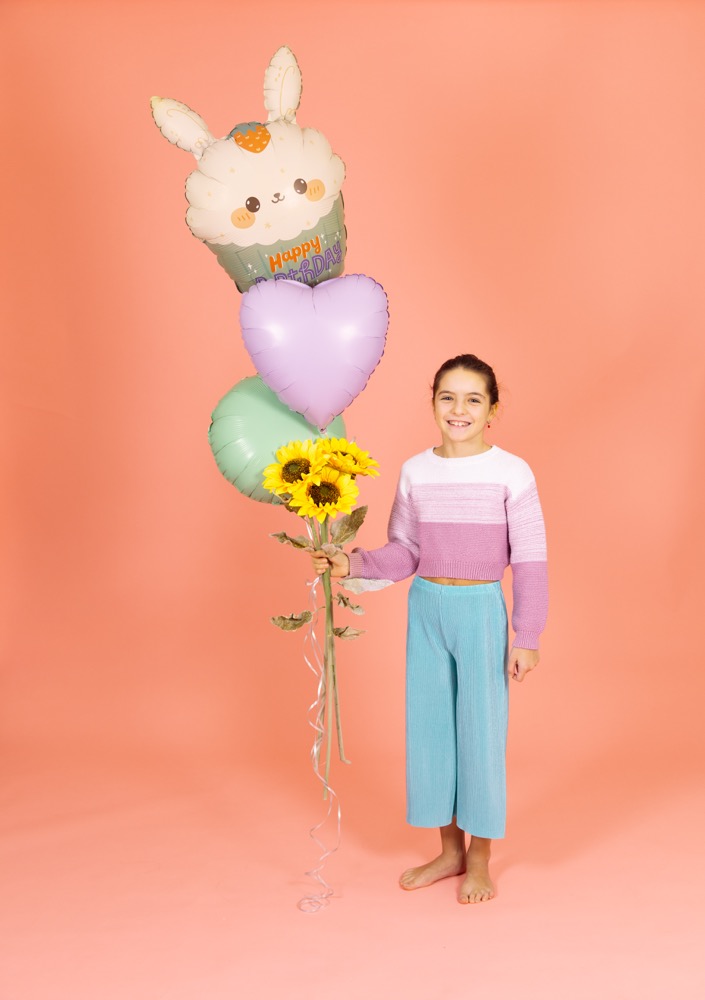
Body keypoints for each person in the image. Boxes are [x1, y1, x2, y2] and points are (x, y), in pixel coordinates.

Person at [309, 354, 548, 904]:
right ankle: (449, 851)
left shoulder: (512, 472)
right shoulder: (416, 471)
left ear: (492, 410)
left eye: (473, 399)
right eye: (448, 397)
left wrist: (528, 636)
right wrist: (351, 564)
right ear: (434, 403)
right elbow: (406, 551)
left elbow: (531, 560)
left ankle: (480, 858)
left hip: (481, 611)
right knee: (432, 730)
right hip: (426, 609)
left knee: (481, 733)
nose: (459, 409)